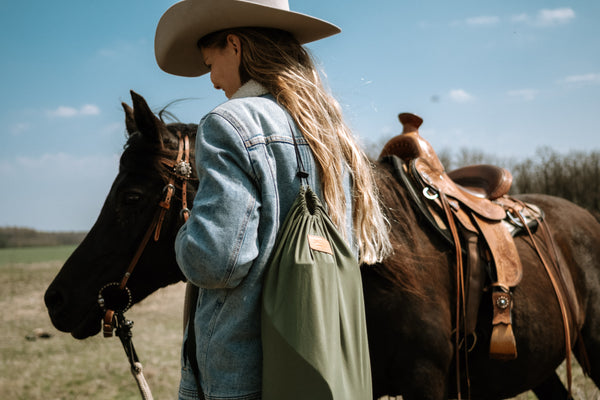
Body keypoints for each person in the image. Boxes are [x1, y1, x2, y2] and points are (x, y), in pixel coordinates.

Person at [154, 1, 392, 399]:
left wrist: (185, 234)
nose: (212, 82)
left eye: (210, 64)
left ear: (235, 45)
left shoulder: (228, 123)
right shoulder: (332, 134)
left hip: (241, 377)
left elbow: (216, 262)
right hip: (319, 368)